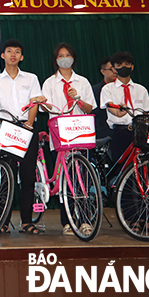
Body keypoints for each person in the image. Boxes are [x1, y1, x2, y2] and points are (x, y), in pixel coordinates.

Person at [0, 39, 45, 235]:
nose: (13, 55)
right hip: (6, 130)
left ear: (21, 57)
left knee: (27, 176)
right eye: (9, 51)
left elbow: (34, 102)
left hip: (27, 128)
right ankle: (4, 221)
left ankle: (26, 221)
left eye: (17, 52)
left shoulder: (31, 78)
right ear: (3, 55)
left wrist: (30, 125)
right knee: (6, 177)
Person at [41, 43, 96, 235]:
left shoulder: (83, 82)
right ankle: (68, 221)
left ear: (74, 58)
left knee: (82, 180)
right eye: (61, 55)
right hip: (60, 136)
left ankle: (85, 219)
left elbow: (90, 109)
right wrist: (42, 103)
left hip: (80, 134)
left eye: (68, 55)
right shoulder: (49, 83)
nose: (64, 58)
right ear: (56, 60)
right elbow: (45, 108)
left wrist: (78, 99)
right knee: (65, 179)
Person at [100, 51, 149, 167]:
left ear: (132, 67)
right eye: (119, 65)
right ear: (114, 69)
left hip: (139, 133)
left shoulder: (141, 89)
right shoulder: (107, 89)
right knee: (122, 168)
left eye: (127, 64)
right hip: (120, 132)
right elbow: (109, 106)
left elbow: (147, 113)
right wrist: (118, 112)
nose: (124, 67)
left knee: (142, 165)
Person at [92, 57, 115, 140]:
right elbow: (95, 114)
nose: (115, 72)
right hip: (104, 134)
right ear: (102, 71)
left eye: (116, 68)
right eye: (111, 69)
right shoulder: (96, 90)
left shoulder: (124, 88)